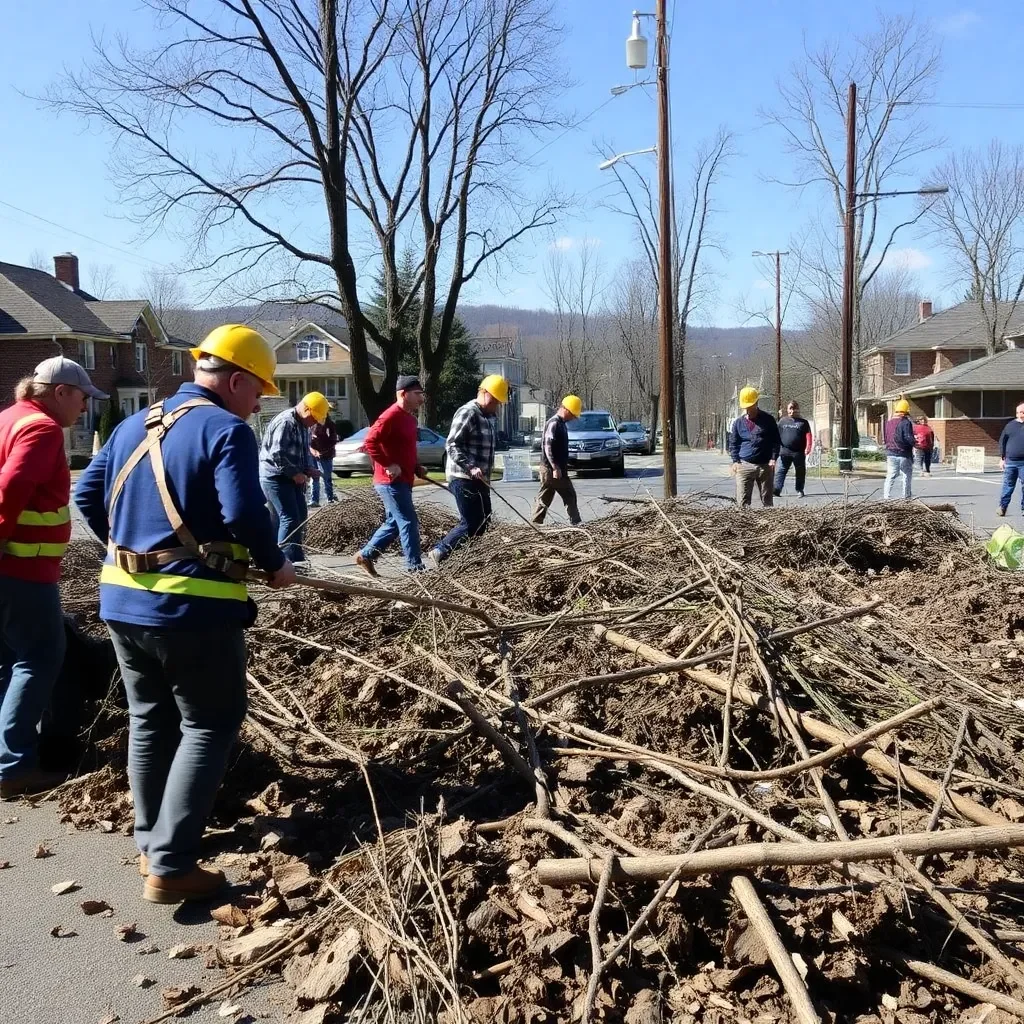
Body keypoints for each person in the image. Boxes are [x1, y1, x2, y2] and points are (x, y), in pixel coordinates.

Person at [74, 324, 297, 903]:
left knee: (150, 721)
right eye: (258, 392)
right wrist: (274, 561)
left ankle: (151, 844)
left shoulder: (130, 425)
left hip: (121, 601)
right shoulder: (226, 429)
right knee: (210, 723)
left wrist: (130, 549)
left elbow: (85, 496)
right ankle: (172, 865)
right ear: (236, 380)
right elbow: (246, 512)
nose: (257, 404)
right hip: (191, 608)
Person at [0, 357, 107, 798]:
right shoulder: (41, 428)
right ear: (60, 391)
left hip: (13, 571)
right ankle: (14, 767)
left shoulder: (8, 418)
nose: (85, 408)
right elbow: (10, 488)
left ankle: (9, 757)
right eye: (83, 398)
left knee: (11, 660)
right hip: (23, 570)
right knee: (41, 657)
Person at [428, 375, 508, 564]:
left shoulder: (488, 417)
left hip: (481, 479)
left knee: (484, 521)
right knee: (471, 522)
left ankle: (472, 560)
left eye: (498, 402)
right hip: (463, 476)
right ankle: (440, 550)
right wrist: (470, 466)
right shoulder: (468, 412)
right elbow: (453, 444)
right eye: (494, 400)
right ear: (484, 392)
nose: (496, 404)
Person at [355, 375, 428, 575]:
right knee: (408, 520)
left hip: (404, 479)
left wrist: (416, 466)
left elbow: (405, 449)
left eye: (421, 394)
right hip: (390, 481)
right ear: (403, 394)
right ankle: (415, 568)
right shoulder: (389, 416)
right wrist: (388, 464)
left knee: (394, 523)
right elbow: (370, 442)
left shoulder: (410, 420)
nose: (421, 399)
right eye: (417, 394)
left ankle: (366, 555)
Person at [259, 392, 329, 566]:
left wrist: (307, 469)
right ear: (306, 409)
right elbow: (278, 454)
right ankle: (285, 562)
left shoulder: (303, 425)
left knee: (299, 517)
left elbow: (297, 453)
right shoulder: (286, 422)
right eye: (313, 417)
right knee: (289, 519)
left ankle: (294, 560)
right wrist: (295, 473)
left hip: (290, 477)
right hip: (275, 477)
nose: (314, 422)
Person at [532, 395, 582, 526]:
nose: (573, 418)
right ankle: (576, 522)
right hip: (551, 469)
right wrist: (555, 467)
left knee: (545, 496)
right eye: (573, 414)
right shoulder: (554, 423)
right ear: (566, 409)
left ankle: (536, 523)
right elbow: (548, 447)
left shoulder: (561, 424)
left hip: (556, 468)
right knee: (569, 494)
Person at [728, 387, 780, 508]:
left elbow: (776, 441)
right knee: (742, 502)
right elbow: (733, 443)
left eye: (750, 406)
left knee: (767, 501)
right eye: (745, 407)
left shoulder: (768, 420)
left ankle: (768, 522)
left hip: (765, 465)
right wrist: (735, 461)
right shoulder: (738, 423)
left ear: (756, 403)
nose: (747, 409)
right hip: (744, 465)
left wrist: (773, 458)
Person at [773, 400, 813, 498]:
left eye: (794, 408)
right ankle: (777, 490)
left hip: (798, 452)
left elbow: (809, 436)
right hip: (785, 451)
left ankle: (799, 489)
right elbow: (776, 435)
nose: (792, 411)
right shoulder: (782, 421)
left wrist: (808, 447)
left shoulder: (804, 422)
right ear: (787, 410)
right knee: (781, 470)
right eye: (790, 408)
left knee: (800, 471)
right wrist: (775, 450)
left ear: (798, 409)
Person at [883, 398, 916, 500]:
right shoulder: (906, 422)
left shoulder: (888, 422)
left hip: (890, 452)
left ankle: (886, 496)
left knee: (891, 475)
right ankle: (906, 496)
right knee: (906, 474)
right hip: (903, 453)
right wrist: (915, 443)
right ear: (906, 411)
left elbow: (885, 437)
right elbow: (907, 437)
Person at [997, 400, 1024, 517]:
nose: (1021, 414)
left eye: (1023, 412)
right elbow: (1002, 442)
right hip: (1011, 461)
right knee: (1008, 485)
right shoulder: (1010, 426)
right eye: (1019, 412)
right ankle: (1003, 507)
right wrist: (1002, 458)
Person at [309, 412, 339, 506]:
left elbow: (333, 441)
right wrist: (313, 451)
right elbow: (308, 441)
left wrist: (322, 452)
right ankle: (314, 500)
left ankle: (329, 498)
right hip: (313, 455)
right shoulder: (312, 424)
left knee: (326, 477)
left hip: (326, 455)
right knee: (315, 477)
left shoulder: (330, 425)